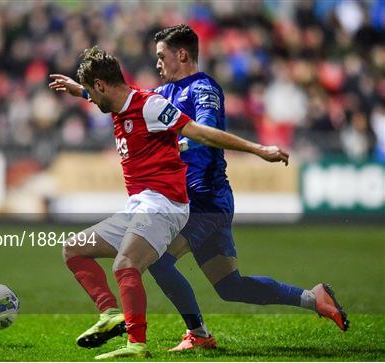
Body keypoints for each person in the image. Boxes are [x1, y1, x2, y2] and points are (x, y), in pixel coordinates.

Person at [49, 25, 348, 353]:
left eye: (162, 57)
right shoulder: (163, 94)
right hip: (191, 201)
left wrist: (254, 149)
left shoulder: (202, 88)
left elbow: (204, 131)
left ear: (182, 54)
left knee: (157, 260)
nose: (158, 64)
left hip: (205, 198)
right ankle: (313, 298)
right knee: (231, 287)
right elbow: (122, 98)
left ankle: (197, 333)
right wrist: (82, 90)